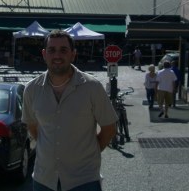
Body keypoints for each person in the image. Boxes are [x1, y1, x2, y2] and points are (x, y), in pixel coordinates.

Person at [22, 30, 118, 191]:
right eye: (52, 50)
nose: (57, 55)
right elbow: (32, 127)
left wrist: (87, 154)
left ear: (73, 54)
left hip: (83, 180)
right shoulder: (31, 89)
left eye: (63, 50)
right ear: (44, 54)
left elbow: (109, 128)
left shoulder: (92, 87)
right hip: (44, 180)